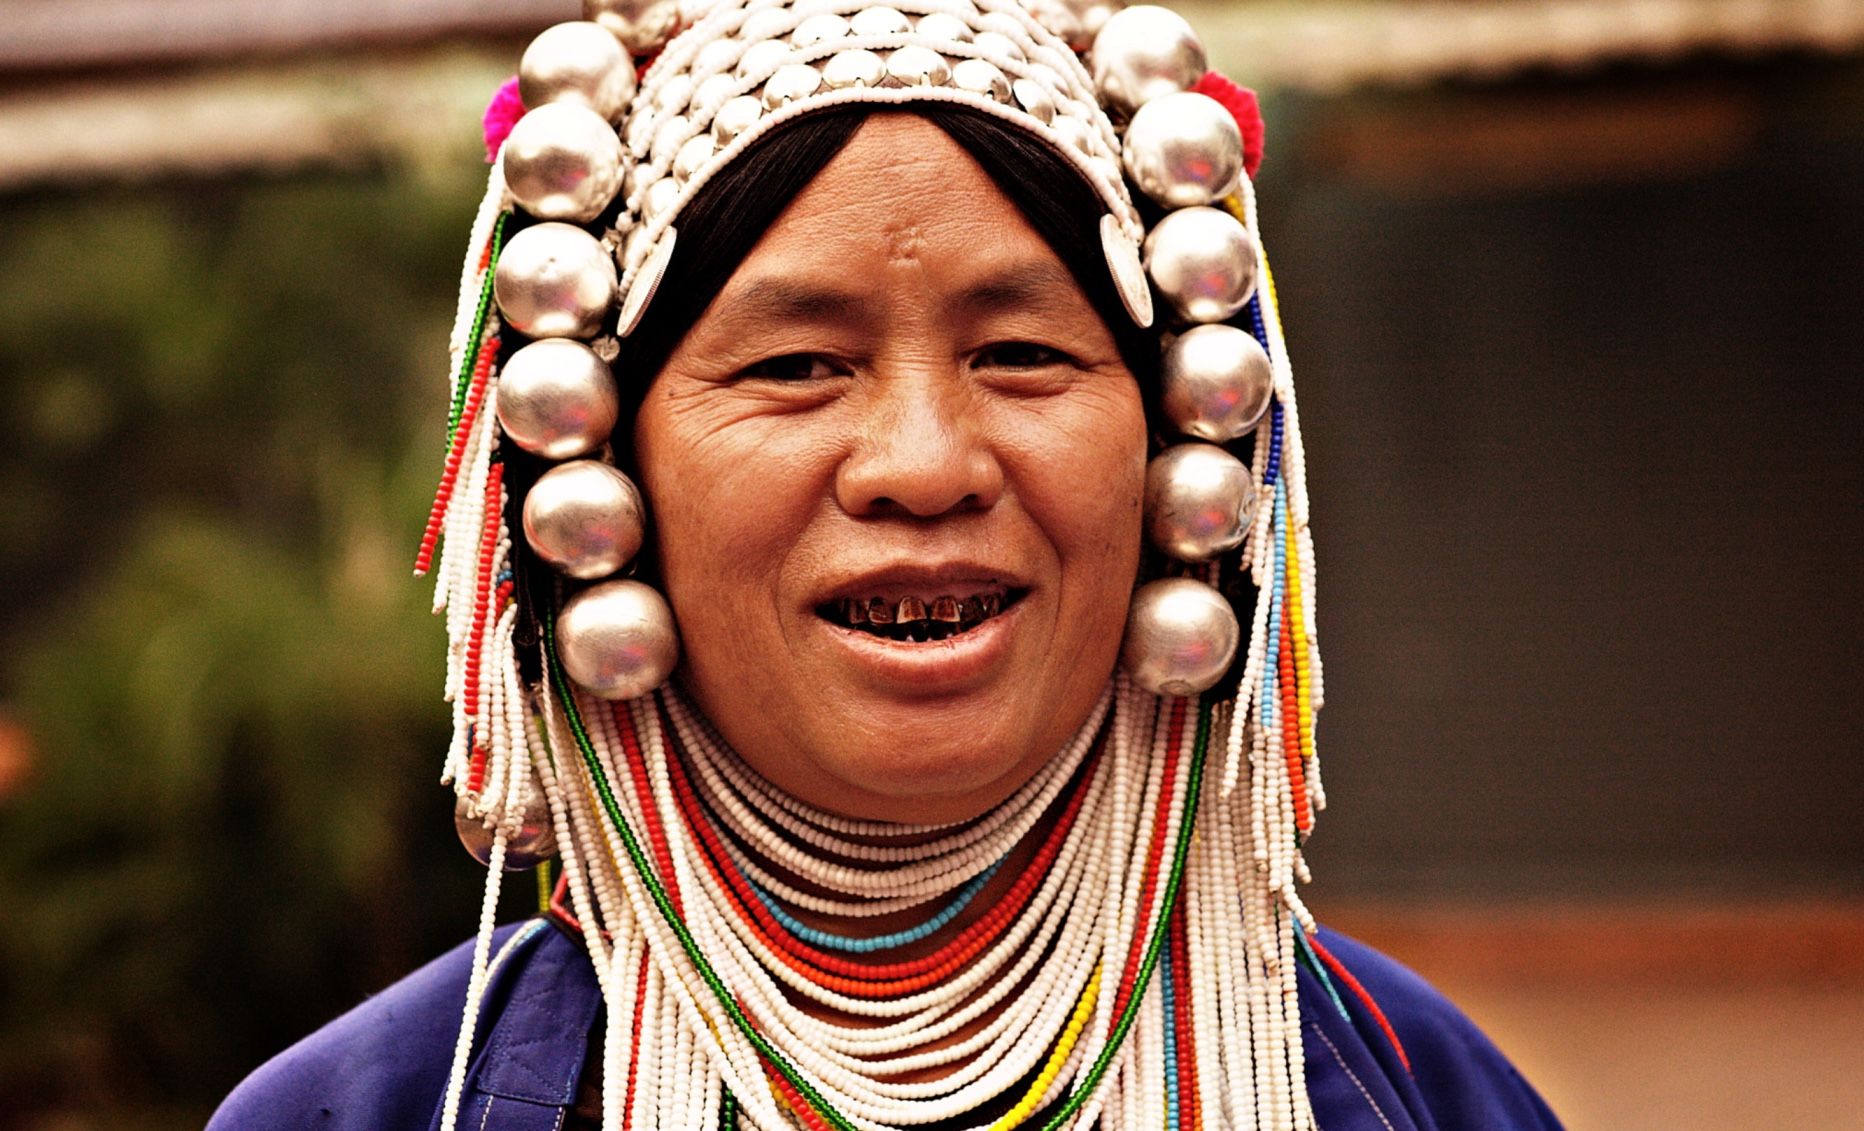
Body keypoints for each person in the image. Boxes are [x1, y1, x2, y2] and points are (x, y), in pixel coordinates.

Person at [212, 2, 1563, 1129]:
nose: (924, 463)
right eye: (798, 365)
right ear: (602, 472)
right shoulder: (376, 1109)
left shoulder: (1407, 1089)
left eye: (1024, 354)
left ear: (1177, 446)